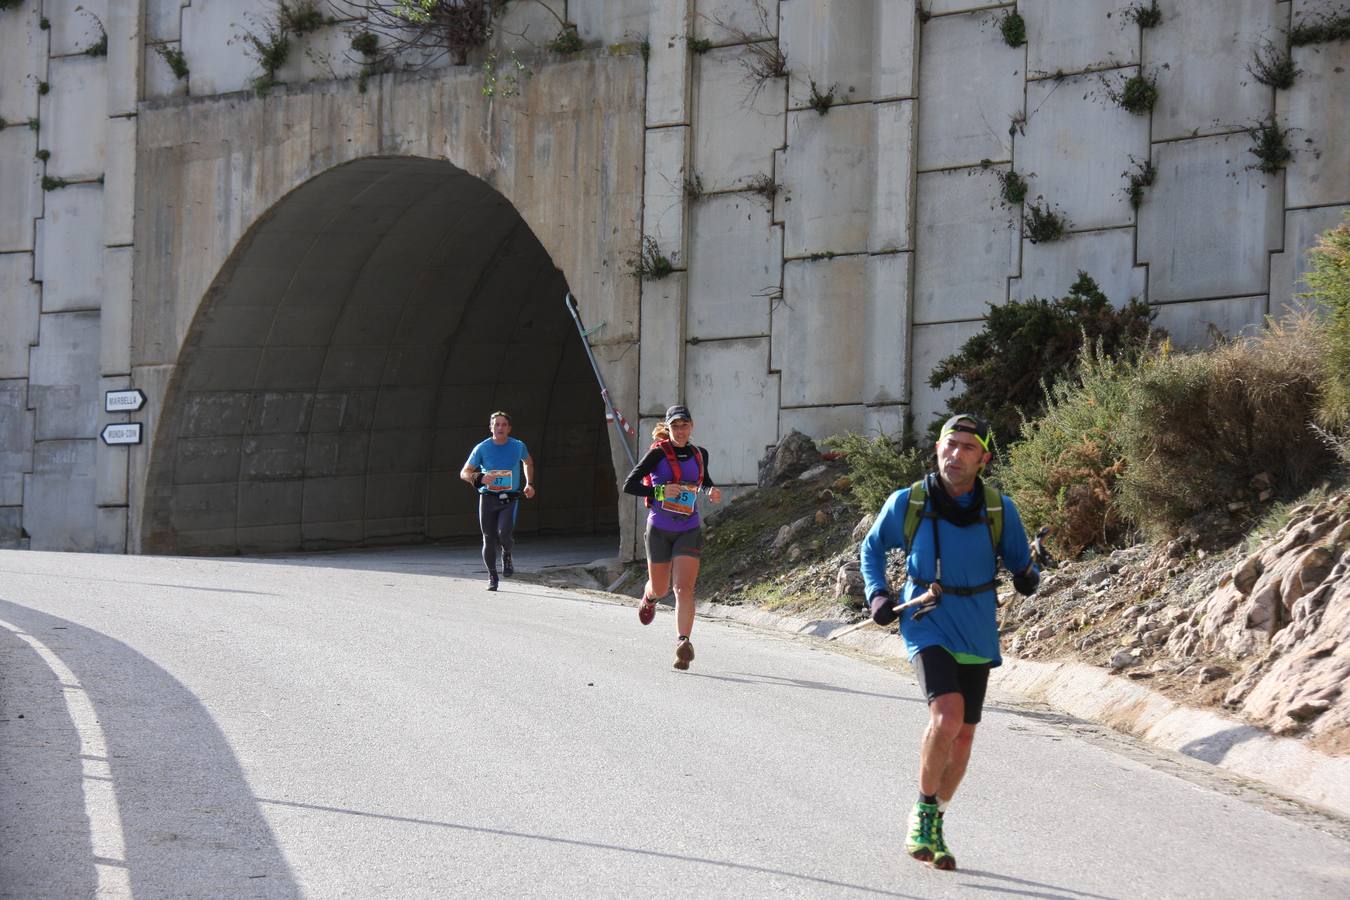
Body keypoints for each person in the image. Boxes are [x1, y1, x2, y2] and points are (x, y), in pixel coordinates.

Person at [860, 414, 1040, 872]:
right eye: (949, 444)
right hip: (927, 618)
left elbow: (1021, 563)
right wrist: (878, 593)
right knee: (948, 715)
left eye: (967, 448)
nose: (955, 454)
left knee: (964, 736)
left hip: (976, 627)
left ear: (984, 459)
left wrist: (1028, 577)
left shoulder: (999, 510)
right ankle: (921, 815)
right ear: (937, 448)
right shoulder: (910, 501)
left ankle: (936, 819)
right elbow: (871, 549)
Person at [621, 405, 722, 670]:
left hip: (688, 528)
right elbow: (630, 485)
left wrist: (710, 491)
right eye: (675, 426)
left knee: (683, 588)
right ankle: (649, 598)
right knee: (661, 588)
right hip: (660, 529)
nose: (680, 431)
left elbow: (704, 481)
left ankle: (683, 643)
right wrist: (661, 492)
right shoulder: (657, 454)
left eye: (684, 425)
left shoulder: (699, 454)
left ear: (691, 426)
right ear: (668, 428)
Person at [460, 411, 535, 591]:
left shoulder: (518, 446)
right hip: (488, 498)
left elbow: (528, 462)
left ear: (509, 428)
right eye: (496, 424)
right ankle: (492, 576)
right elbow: (464, 472)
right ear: (491, 427)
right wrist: (479, 477)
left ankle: (507, 553)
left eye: (503, 424)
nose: (500, 427)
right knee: (488, 538)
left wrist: (529, 484)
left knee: (504, 534)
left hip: (509, 498)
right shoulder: (482, 448)